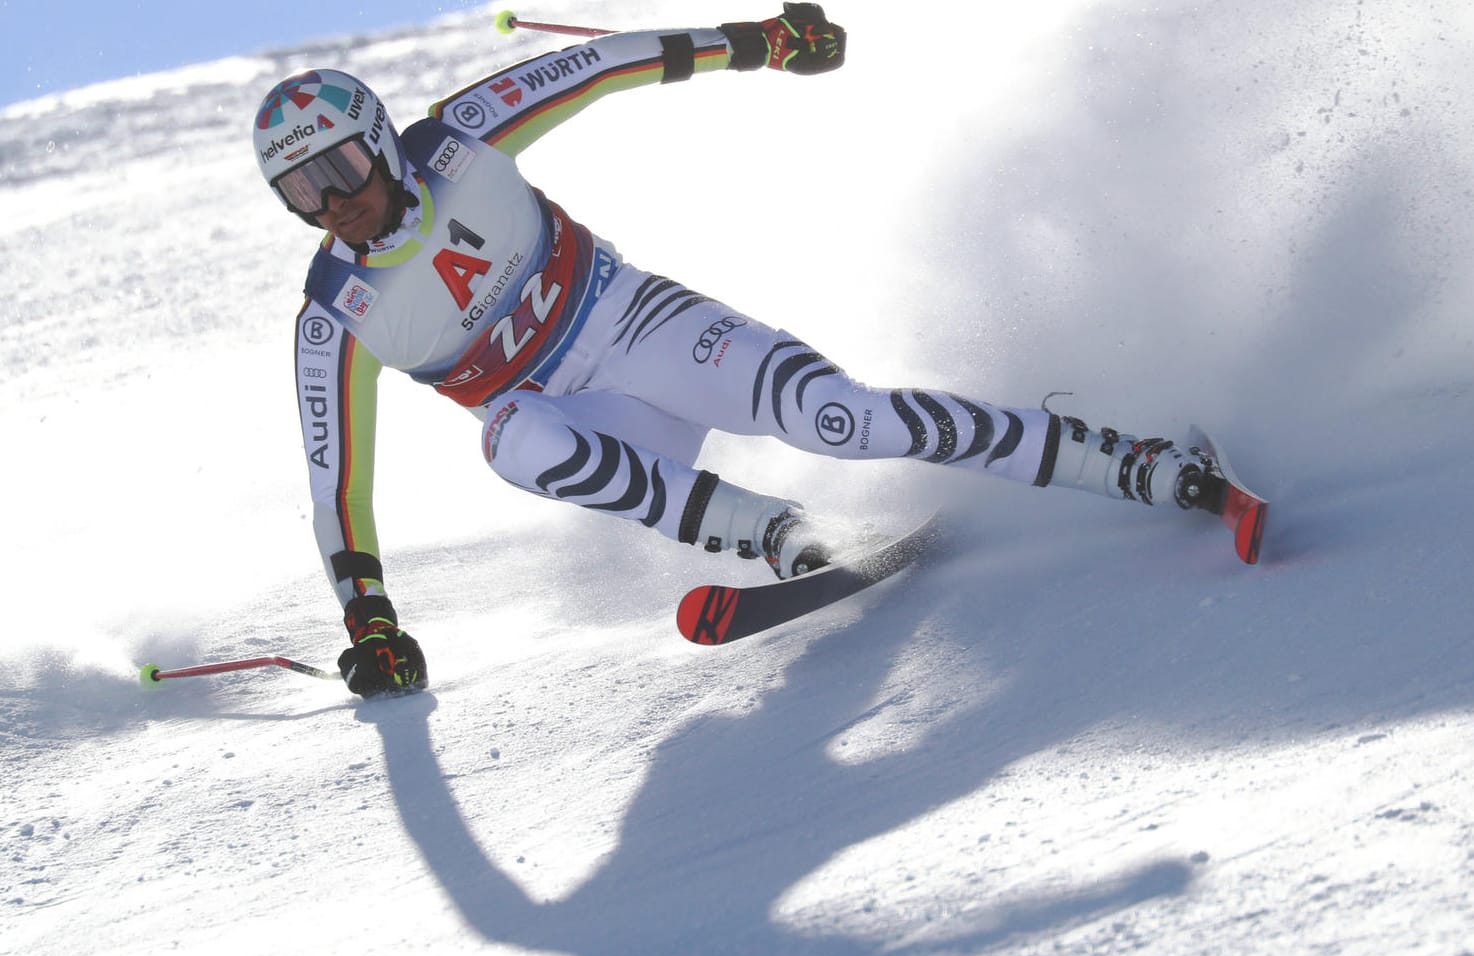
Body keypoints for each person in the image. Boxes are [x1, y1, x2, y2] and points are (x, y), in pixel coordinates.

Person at [253, 4, 1226, 698]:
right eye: (303, 192)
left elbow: (598, 66)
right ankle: (775, 534)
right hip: (593, 423)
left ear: (378, 139)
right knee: (509, 436)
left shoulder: (459, 136)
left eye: (339, 165)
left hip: (638, 325)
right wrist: (369, 619)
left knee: (846, 419)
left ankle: (1132, 464)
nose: (333, 202)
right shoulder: (334, 317)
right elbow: (336, 486)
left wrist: (759, 42)